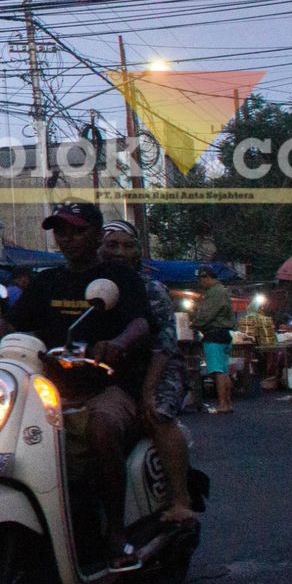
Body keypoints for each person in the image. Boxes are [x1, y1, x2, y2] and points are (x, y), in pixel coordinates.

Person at [0, 202, 152, 572]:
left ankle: (116, 533)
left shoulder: (120, 278)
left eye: (77, 231)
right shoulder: (47, 281)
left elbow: (140, 324)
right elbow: (10, 323)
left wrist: (118, 343)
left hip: (109, 386)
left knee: (102, 428)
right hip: (53, 386)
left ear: (96, 235)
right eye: (62, 232)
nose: (68, 240)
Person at [100, 221, 197, 523]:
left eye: (128, 245)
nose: (120, 252)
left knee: (157, 414)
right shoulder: (85, 283)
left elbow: (164, 345)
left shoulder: (152, 289)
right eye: (112, 244)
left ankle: (181, 498)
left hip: (158, 366)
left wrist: (149, 390)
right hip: (107, 370)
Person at [191, 266, 235, 413]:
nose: (201, 284)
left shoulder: (216, 292)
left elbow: (207, 314)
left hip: (215, 335)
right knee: (224, 370)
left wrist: (193, 323)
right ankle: (227, 403)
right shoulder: (222, 291)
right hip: (224, 335)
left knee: (218, 371)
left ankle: (222, 404)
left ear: (206, 277)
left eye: (201, 280)